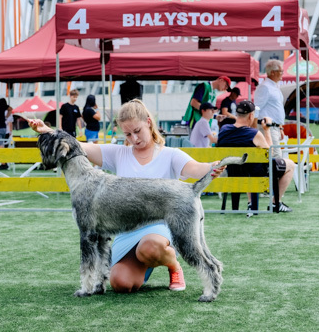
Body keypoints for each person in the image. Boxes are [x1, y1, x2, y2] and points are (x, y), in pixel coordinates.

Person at [28, 99, 225, 294]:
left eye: (137, 131)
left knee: (170, 247)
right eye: (128, 134)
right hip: (126, 231)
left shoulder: (171, 154)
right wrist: (47, 130)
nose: (134, 138)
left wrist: (211, 167)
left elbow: (196, 169)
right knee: (120, 283)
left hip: (158, 227)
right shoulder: (119, 153)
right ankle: (98, 282)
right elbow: (77, 146)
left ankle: (176, 267)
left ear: (148, 122)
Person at [217, 100, 295, 213]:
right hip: (255, 171)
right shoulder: (254, 134)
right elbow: (270, 154)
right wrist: (266, 130)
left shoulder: (223, 130)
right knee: (291, 165)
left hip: (233, 170)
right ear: (251, 115)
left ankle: (250, 203)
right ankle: (275, 203)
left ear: (237, 114)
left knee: (249, 165)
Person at [254, 60, 286, 159]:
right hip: (267, 127)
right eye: (281, 71)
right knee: (275, 156)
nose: (282, 73)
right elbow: (256, 108)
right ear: (272, 72)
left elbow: (276, 108)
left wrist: (280, 127)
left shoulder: (274, 86)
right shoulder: (265, 87)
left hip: (274, 127)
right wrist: (254, 128)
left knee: (274, 156)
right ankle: (272, 175)